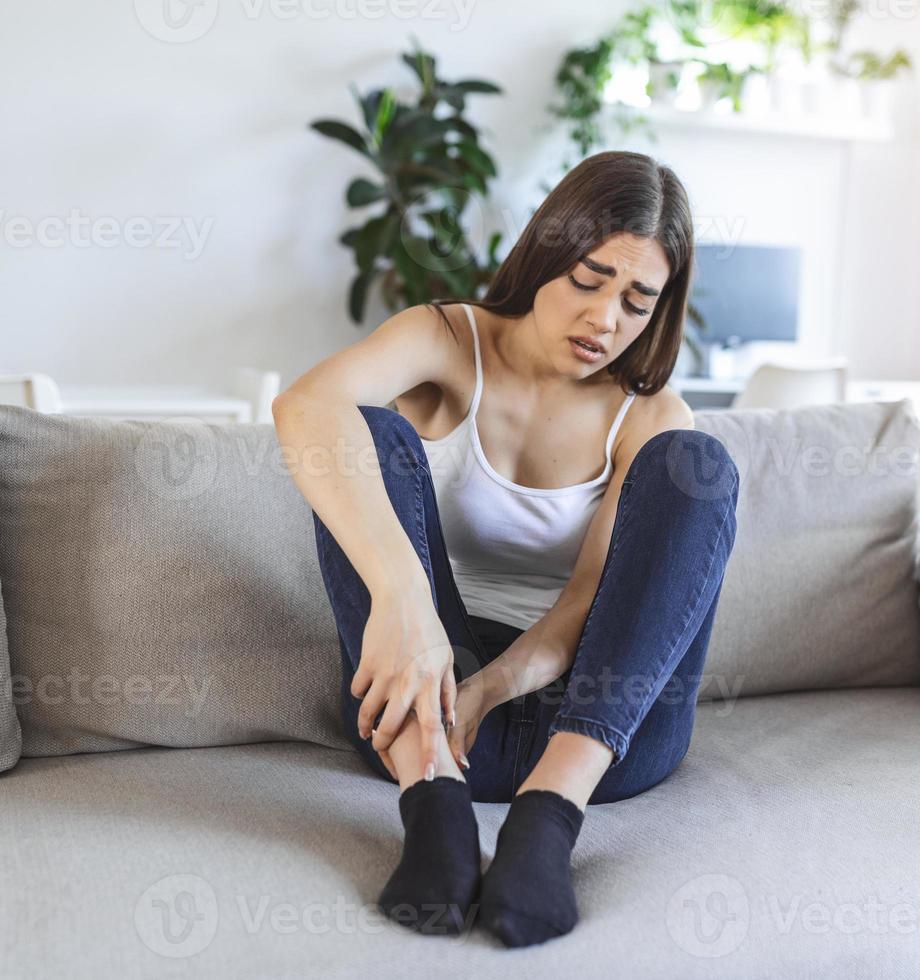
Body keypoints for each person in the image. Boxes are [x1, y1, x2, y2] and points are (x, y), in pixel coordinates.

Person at [272, 149, 740, 947]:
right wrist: (404, 601)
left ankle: (545, 825)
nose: (604, 321)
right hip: (434, 716)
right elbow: (305, 405)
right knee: (366, 431)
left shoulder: (650, 414)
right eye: (589, 279)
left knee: (695, 465)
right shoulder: (448, 340)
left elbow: (587, 603)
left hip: (606, 737)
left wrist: (496, 685)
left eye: (637, 301)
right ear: (548, 254)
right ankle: (437, 814)